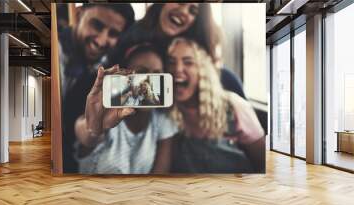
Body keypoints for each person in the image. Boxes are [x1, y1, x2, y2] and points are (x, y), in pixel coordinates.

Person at [74, 43, 178, 174]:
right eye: (142, 73)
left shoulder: (161, 121)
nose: (149, 83)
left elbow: (158, 178)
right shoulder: (107, 112)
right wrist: (96, 124)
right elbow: (86, 134)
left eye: (157, 75)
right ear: (124, 76)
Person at [167, 38, 265, 173]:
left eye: (188, 62)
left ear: (203, 70)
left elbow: (262, 165)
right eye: (171, 62)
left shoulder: (234, 106)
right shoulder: (164, 114)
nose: (177, 69)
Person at [107, 3, 246, 98]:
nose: (184, 12)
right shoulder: (131, 36)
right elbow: (113, 91)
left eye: (193, 11)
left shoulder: (192, 50)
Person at [59, 3, 135, 172]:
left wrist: (94, 128)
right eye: (97, 25)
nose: (101, 41)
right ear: (78, 15)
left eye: (113, 34)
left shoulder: (104, 65)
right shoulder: (56, 57)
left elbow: (82, 126)